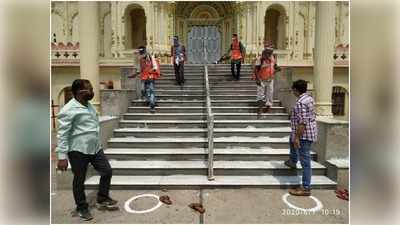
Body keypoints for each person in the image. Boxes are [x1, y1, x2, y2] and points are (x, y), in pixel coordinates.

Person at [56, 79, 118, 221]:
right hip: (78, 150)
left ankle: (102, 198)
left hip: (95, 147)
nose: (92, 91)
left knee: (107, 171)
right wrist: (61, 156)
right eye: (89, 89)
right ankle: (82, 208)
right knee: (79, 180)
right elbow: (62, 133)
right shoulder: (68, 110)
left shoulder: (88, 105)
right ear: (79, 92)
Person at [284, 79, 317, 196]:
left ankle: (306, 187)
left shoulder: (300, 103)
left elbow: (302, 122)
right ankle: (293, 161)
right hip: (308, 132)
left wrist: (297, 137)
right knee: (291, 140)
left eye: (293, 90)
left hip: (304, 134)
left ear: (296, 90)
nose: (292, 92)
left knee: (305, 161)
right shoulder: (309, 98)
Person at [252, 43, 280, 115]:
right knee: (260, 95)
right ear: (265, 52)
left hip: (270, 79)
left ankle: (268, 107)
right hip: (261, 79)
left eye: (271, 53)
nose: (270, 54)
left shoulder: (273, 58)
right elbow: (256, 69)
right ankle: (260, 109)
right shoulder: (260, 59)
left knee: (270, 94)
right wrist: (257, 79)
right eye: (268, 53)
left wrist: (277, 69)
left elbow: (275, 66)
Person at [132, 46, 161, 113]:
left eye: (142, 53)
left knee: (151, 91)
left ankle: (152, 106)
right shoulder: (140, 59)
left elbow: (155, 67)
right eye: (141, 53)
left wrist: (151, 70)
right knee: (143, 90)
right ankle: (151, 101)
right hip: (144, 77)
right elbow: (139, 69)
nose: (141, 55)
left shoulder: (151, 57)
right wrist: (135, 74)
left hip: (150, 76)